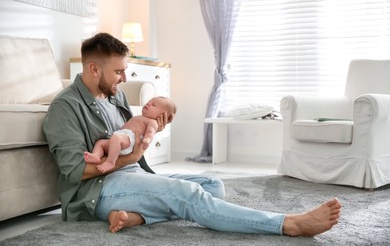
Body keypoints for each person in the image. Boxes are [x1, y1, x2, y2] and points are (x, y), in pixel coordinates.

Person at [43, 32, 341, 236]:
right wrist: (132, 155)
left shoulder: (114, 96)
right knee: (187, 195)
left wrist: (150, 134)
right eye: (118, 72)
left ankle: (138, 215)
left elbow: (131, 141)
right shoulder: (65, 107)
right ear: (94, 69)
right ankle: (286, 224)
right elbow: (75, 171)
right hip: (97, 190)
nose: (124, 78)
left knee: (212, 184)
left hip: (132, 175)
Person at [84, 96, 176, 173]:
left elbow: (150, 132)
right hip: (122, 137)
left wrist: (147, 140)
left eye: (154, 105)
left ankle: (110, 162)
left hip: (130, 140)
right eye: (149, 101)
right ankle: (96, 155)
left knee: (116, 138)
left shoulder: (152, 122)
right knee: (101, 143)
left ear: (162, 115)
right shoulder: (141, 117)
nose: (148, 103)